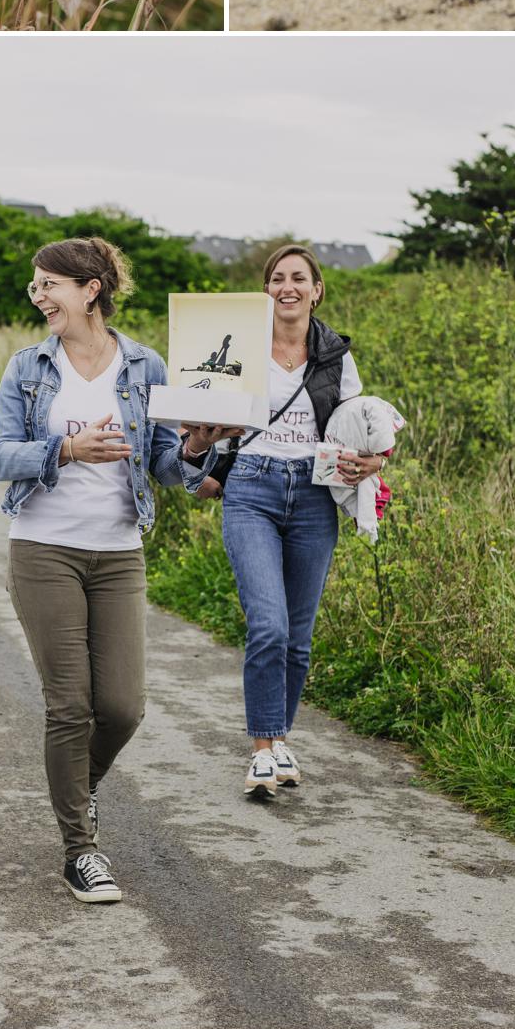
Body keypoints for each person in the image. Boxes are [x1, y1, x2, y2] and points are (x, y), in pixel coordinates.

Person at [0, 239, 195, 905]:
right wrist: (68, 448)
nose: (39, 296)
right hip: (43, 547)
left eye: (49, 284)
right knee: (70, 705)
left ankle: (77, 788)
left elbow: (163, 461)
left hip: (119, 551)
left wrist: (196, 448)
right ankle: (81, 850)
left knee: (123, 707)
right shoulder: (27, 367)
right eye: (35, 286)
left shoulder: (146, 364)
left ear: (92, 288)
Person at [183, 244, 388, 802]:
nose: (287, 287)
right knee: (268, 624)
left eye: (299, 278)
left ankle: (278, 740)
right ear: (265, 290)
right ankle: (261, 751)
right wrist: (201, 436)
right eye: (277, 278)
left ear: (317, 289)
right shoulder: (232, 348)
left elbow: (362, 428)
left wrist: (373, 463)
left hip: (316, 494)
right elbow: (194, 432)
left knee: (298, 638)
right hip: (251, 486)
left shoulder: (337, 356)